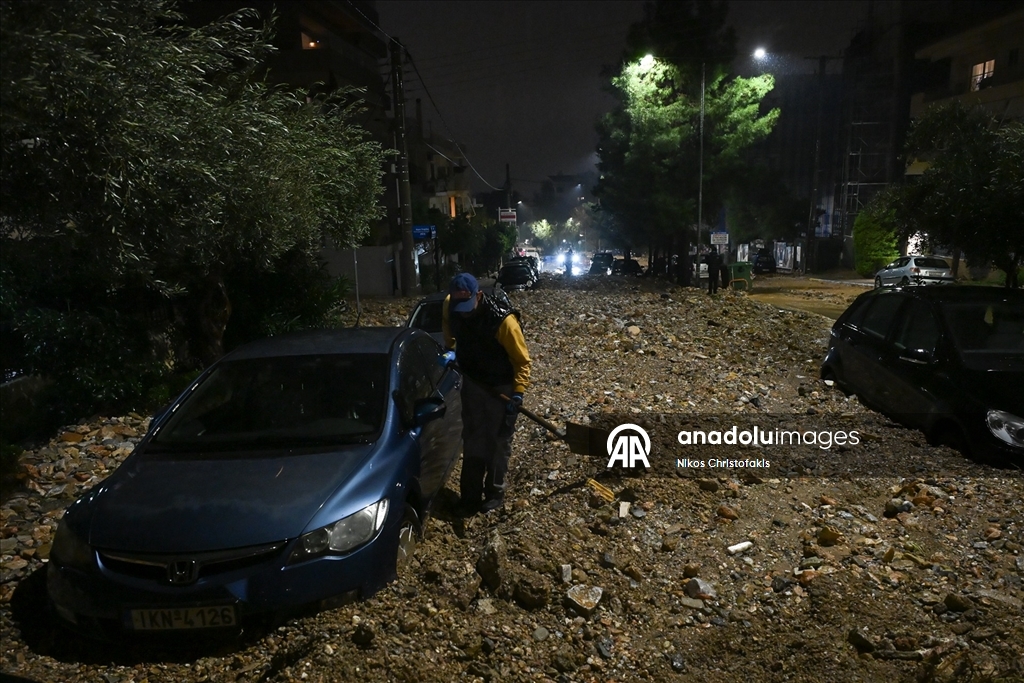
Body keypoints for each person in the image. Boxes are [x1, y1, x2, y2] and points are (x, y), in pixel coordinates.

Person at [440, 273, 531, 516]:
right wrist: (451, 352)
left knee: (499, 441)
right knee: (473, 438)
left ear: (478, 295)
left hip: (501, 387)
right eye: (460, 306)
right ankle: (470, 496)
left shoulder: (503, 322)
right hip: (472, 382)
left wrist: (518, 393)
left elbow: (522, 362)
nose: (464, 312)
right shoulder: (451, 307)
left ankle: (494, 493)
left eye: (468, 305)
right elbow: (451, 337)